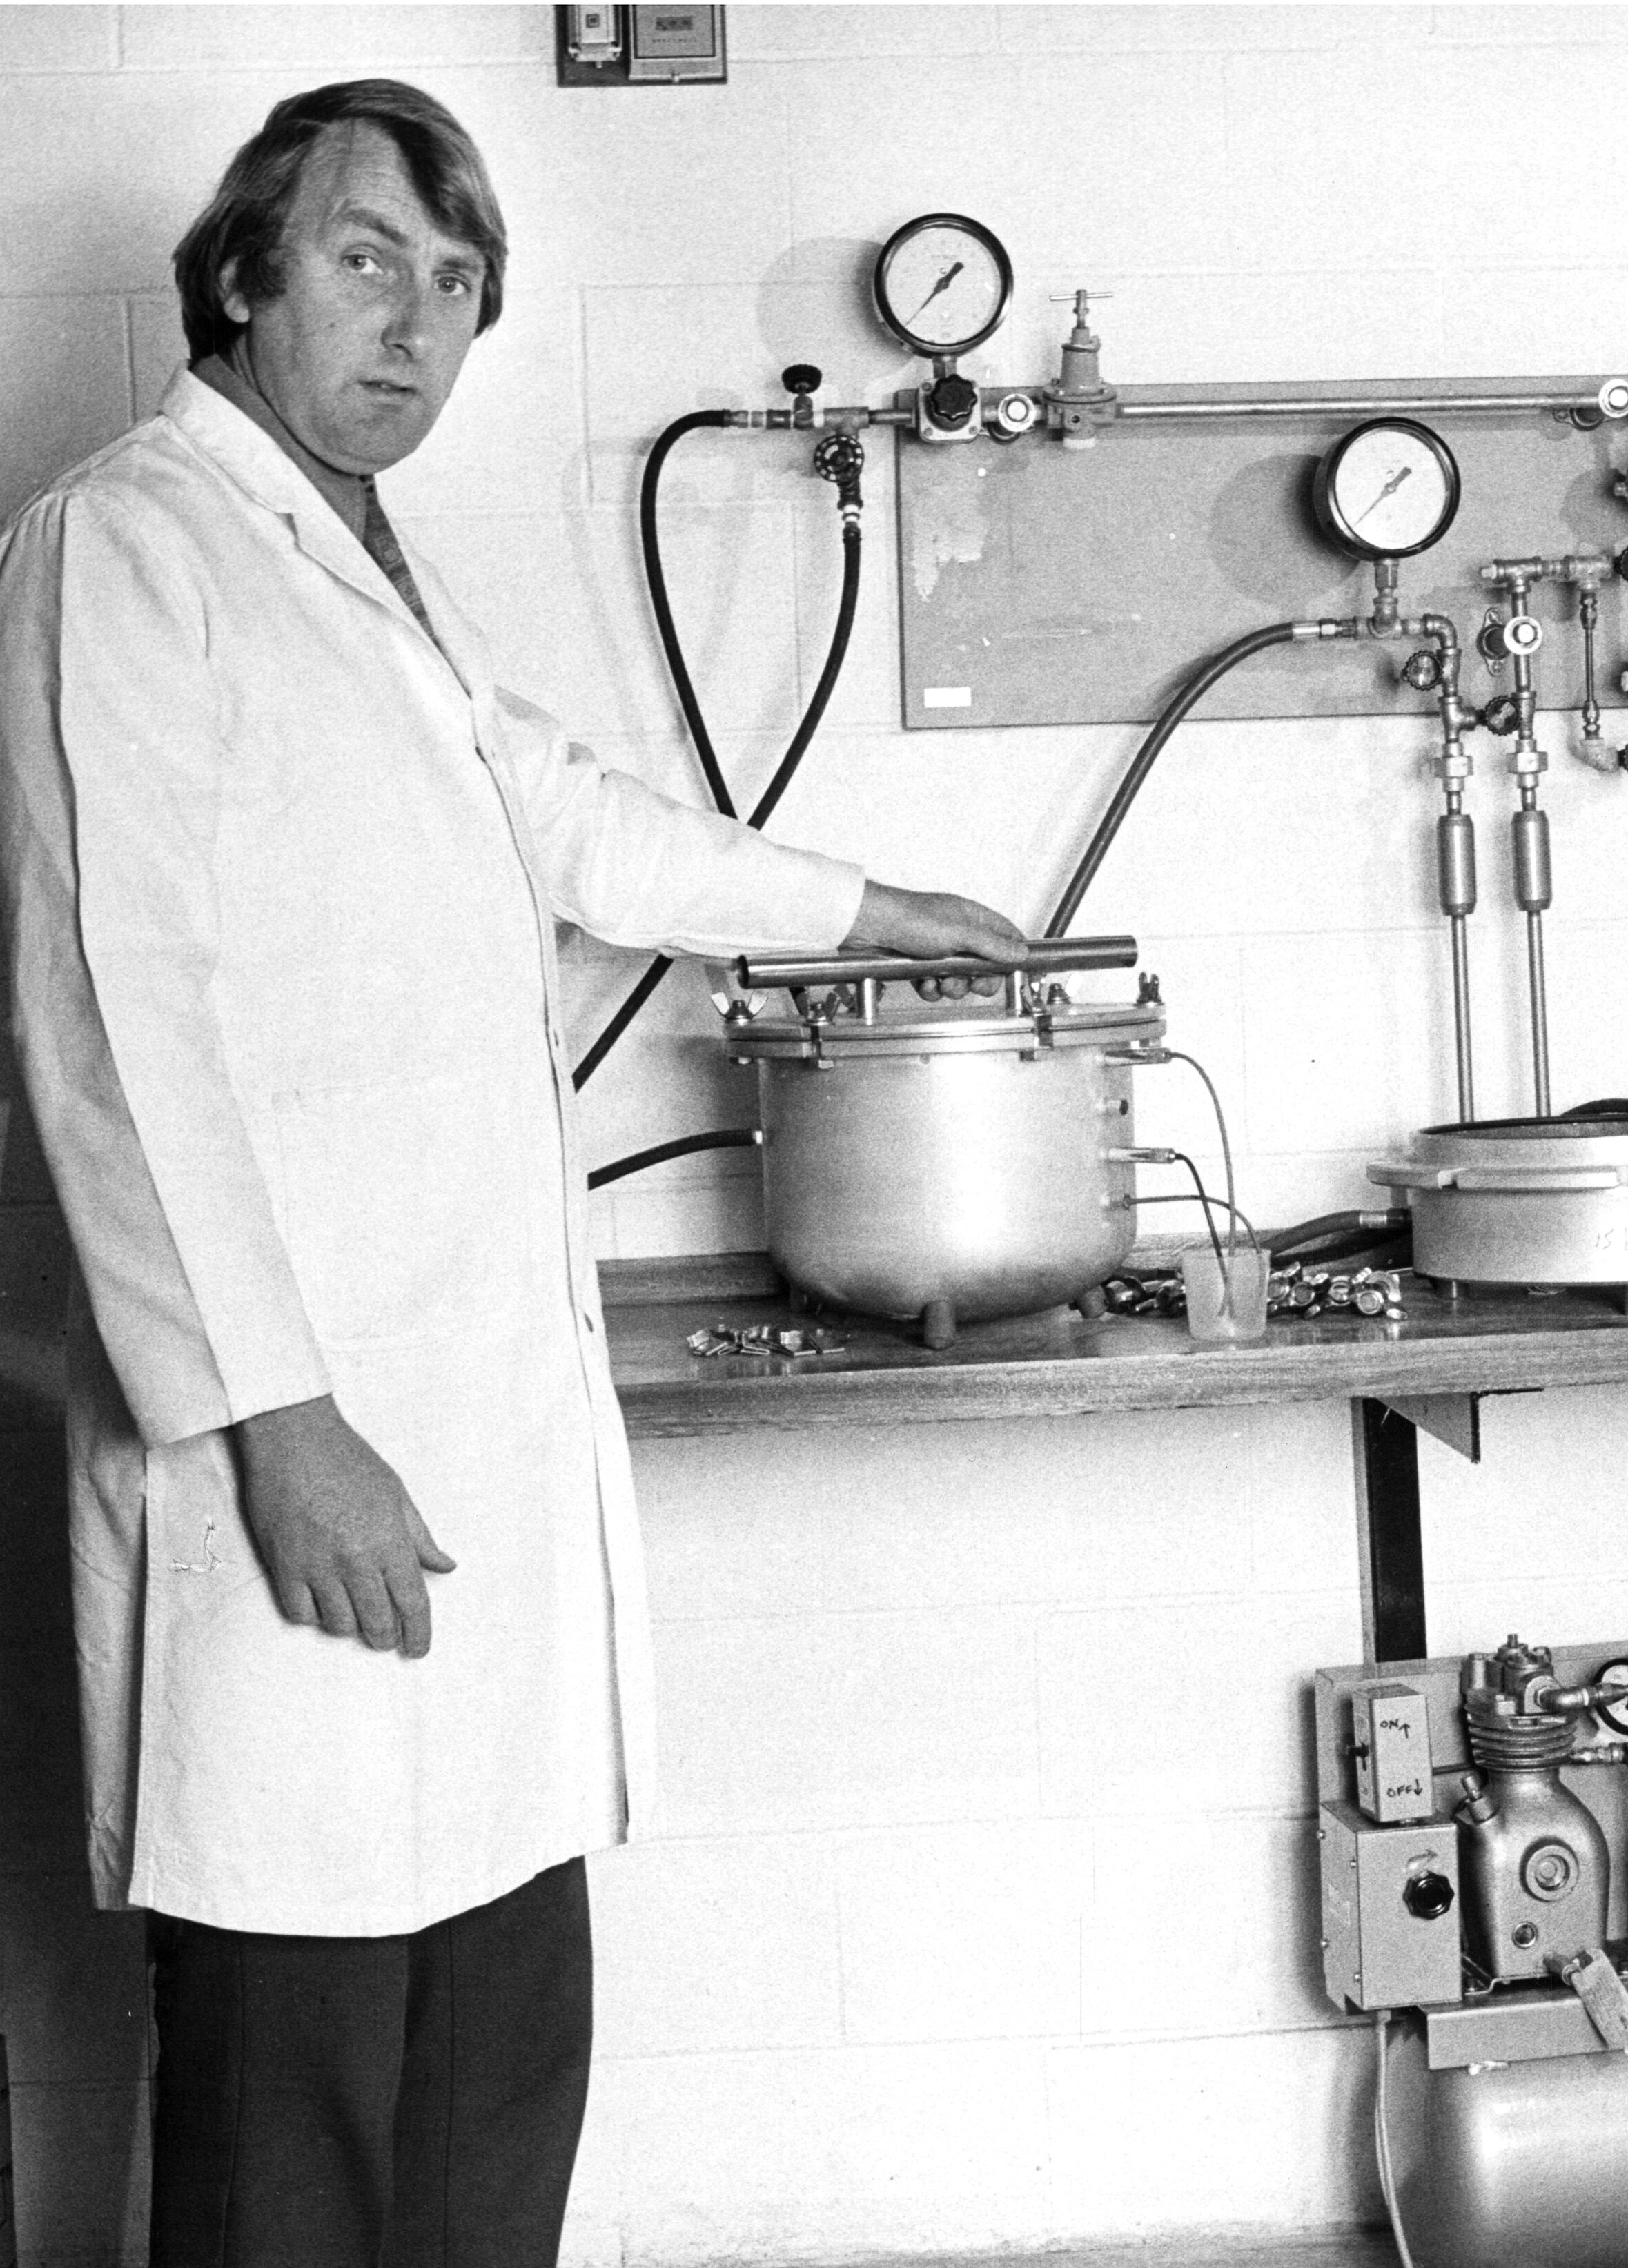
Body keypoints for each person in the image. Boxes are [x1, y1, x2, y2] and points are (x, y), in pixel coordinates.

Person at [0, 79, 1023, 2262]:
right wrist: (273, 1422)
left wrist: (873, 910)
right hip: (301, 1449)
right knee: (294, 2090)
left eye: (459, 287)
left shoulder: (371, 578)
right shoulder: (129, 542)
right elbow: (110, 1015)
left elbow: (570, 817)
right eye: (368, 260)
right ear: (244, 272)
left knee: (489, 2070)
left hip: (462, 1454)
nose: (416, 327)